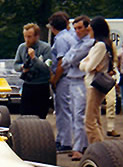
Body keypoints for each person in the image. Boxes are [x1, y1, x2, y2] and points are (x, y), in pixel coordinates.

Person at [61, 15, 94, 161]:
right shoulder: (78, 42)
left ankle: (78, 148)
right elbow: (67, 59)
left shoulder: (89, 43)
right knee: (75, 115)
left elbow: (71, 59)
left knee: (79, 114)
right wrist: (70, 59)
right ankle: (80, 146)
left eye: (80, 28)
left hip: (81, 80)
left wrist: (70, 59)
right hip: (73, 79)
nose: (77, 31)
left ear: (88, 27)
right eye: (75, 28)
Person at [79, 16, 114, 144]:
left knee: (89, 121)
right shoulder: (102, 45)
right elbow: (86, 65)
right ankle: (100, 144)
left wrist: (86, 64)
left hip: (94, 85)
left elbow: (88, 66)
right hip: (93, 84)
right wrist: (86, 64)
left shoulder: (99, 46)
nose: (89, 31)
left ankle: (97, 146)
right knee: (96, 118)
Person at [49, 13, 77, 151]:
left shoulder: (60, 40)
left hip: (63, 77)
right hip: (69, 77)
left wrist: (55, 79)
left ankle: (65, 142)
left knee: (63, 109)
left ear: (53, 26)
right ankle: (62, 138)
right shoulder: (70, 36)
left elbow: (61, 62)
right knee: (64, 109)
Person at [14, 23, 52, 119]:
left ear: (36, 36)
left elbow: (46, 68)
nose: (27, 39)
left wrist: (34, 58)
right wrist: (23, 67)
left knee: (40, 115)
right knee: (25, 115)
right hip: (28, 85)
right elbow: (15, 65)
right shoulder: (22, 48)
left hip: (41, 85)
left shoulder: (46, 48)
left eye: (30, 37)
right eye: (25, 36)